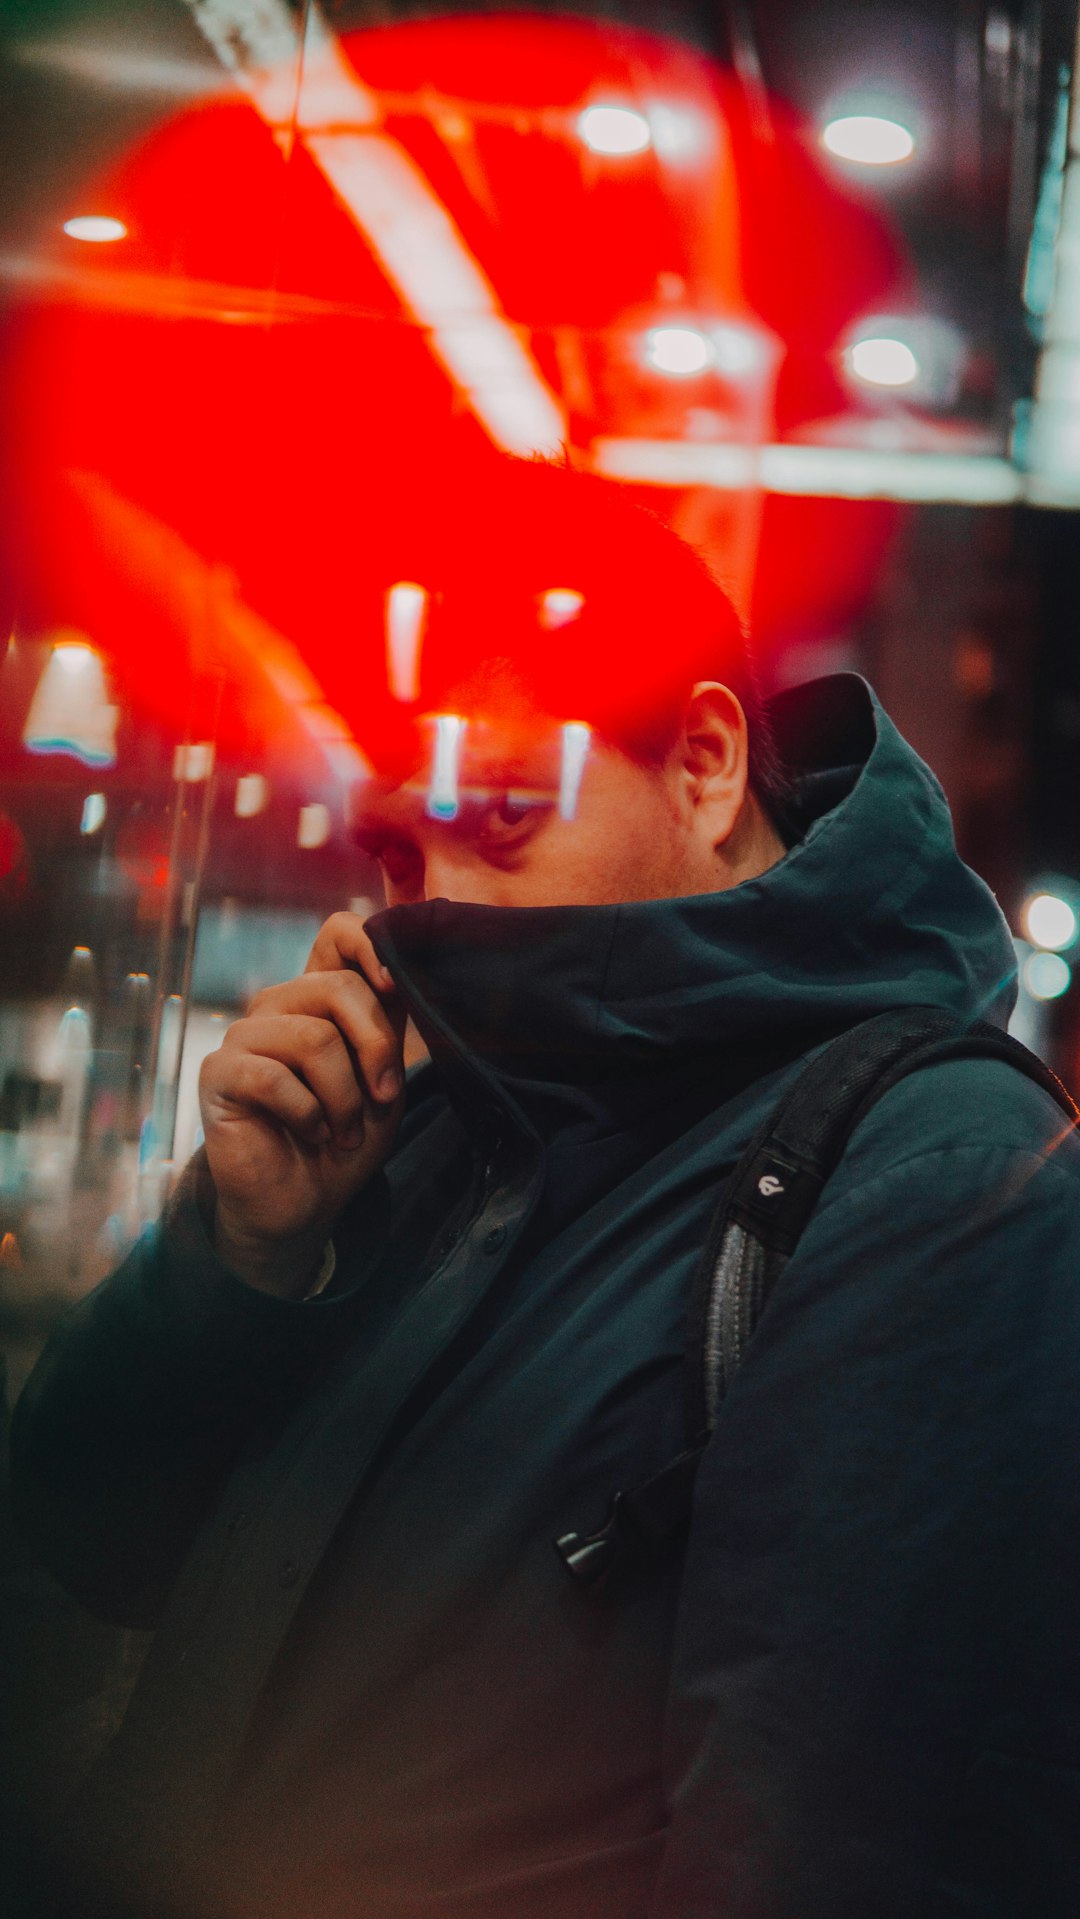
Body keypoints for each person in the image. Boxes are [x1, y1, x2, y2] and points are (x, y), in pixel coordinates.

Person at [10, 457, 1080, 1919]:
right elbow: (78, 1544)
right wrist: (236, 1261)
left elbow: (855, 1849)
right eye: (400, 845)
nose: (434, 900)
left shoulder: (939, 1177)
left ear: (704, 767)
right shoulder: (425, 1117)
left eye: (501, 817)